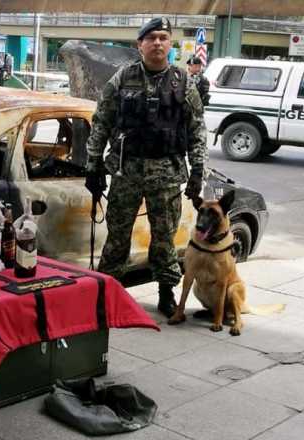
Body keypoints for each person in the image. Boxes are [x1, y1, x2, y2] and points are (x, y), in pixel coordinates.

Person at [84, 17, 208, 318]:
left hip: (166, 174)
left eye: (163, 37)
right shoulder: (123, 78)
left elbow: (196, 128)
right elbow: (102, 122)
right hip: (127, 171)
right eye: (151, 37)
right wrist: (93, 164)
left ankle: (166, 294)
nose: (157, 43)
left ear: (170, 44)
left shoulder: (183, 81)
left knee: (164, 237)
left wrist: (198, 170)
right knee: (117, 237)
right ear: (140, 44)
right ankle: (109, 295)